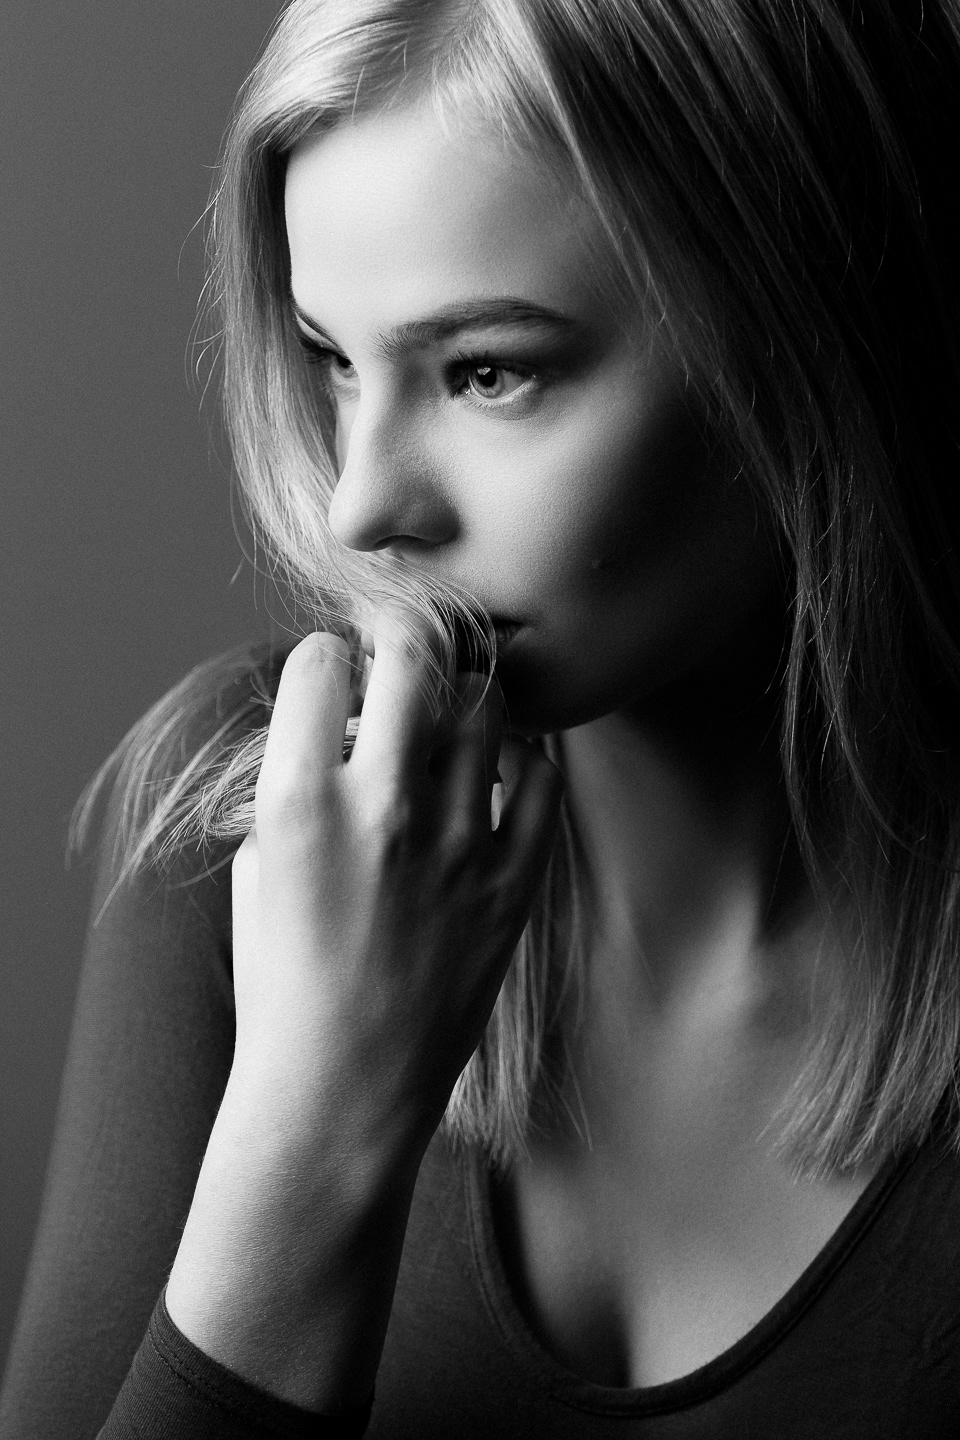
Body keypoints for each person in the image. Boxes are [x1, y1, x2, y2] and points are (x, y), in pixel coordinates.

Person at [3, 0, 960, 1434]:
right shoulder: (248, 828)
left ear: (813, 334)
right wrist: (314, 1132)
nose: (359, 506)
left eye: (487, 372)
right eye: (334, 359)